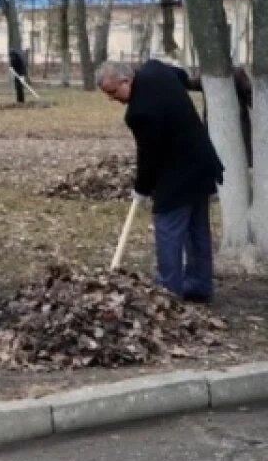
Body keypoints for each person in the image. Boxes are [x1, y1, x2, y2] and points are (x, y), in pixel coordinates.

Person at [96, 60, 224, 302]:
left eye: (112, 92)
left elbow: (148, 156)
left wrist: (141, 189)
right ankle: (199, 286)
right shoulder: (156, 68)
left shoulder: (138, 113)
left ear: (126, 81)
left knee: (169, 230)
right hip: (202, 163)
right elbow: (182, 76)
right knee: (197, 229)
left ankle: (169, 294)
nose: (111, 99)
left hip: (177, 175)